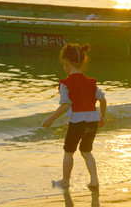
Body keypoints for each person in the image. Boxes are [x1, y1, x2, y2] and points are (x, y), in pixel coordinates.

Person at [41, 43, 106, 189]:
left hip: (77, 121)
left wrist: (50, 118)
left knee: (69, 151)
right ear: (82, 62)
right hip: (92, 121)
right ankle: (94, 180)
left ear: (65, 62)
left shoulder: (66, 83)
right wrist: (102, 116)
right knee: (86, 151)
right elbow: (102, 99)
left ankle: (65, 181)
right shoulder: (91, 82)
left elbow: (66, 105)